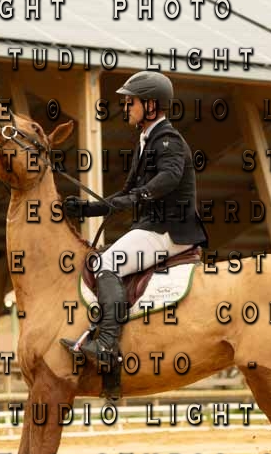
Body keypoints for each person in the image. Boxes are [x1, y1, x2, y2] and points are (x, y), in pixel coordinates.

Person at [60, 71, 209, 365]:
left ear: (150, 105)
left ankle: (106, 345)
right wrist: (88, 208)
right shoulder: (146, 140)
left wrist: (136, 197)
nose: (126, 107)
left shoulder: (167, 140)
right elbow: (126, 193)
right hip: (154, 227)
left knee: (106, 263)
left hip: (168, 229)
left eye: (131, 102)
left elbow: (169, 177)